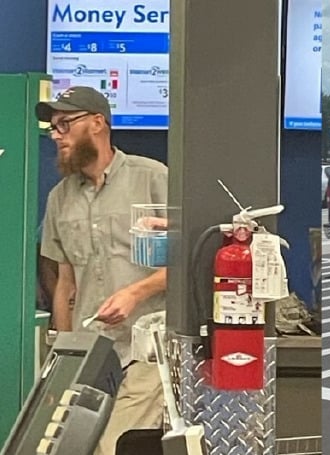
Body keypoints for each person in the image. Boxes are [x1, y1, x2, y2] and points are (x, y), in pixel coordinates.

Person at [35, 86, 168, 455]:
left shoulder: (152, 177)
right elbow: (65, 284)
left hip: (144, 351)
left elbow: (188, 264)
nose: (56, 135)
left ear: (97, 124)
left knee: (112, 446)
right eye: (53, 128)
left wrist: (134, 293)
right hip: (90, 354)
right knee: (77, 446)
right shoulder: (59, 197)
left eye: (64, 124)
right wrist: (62, 358)